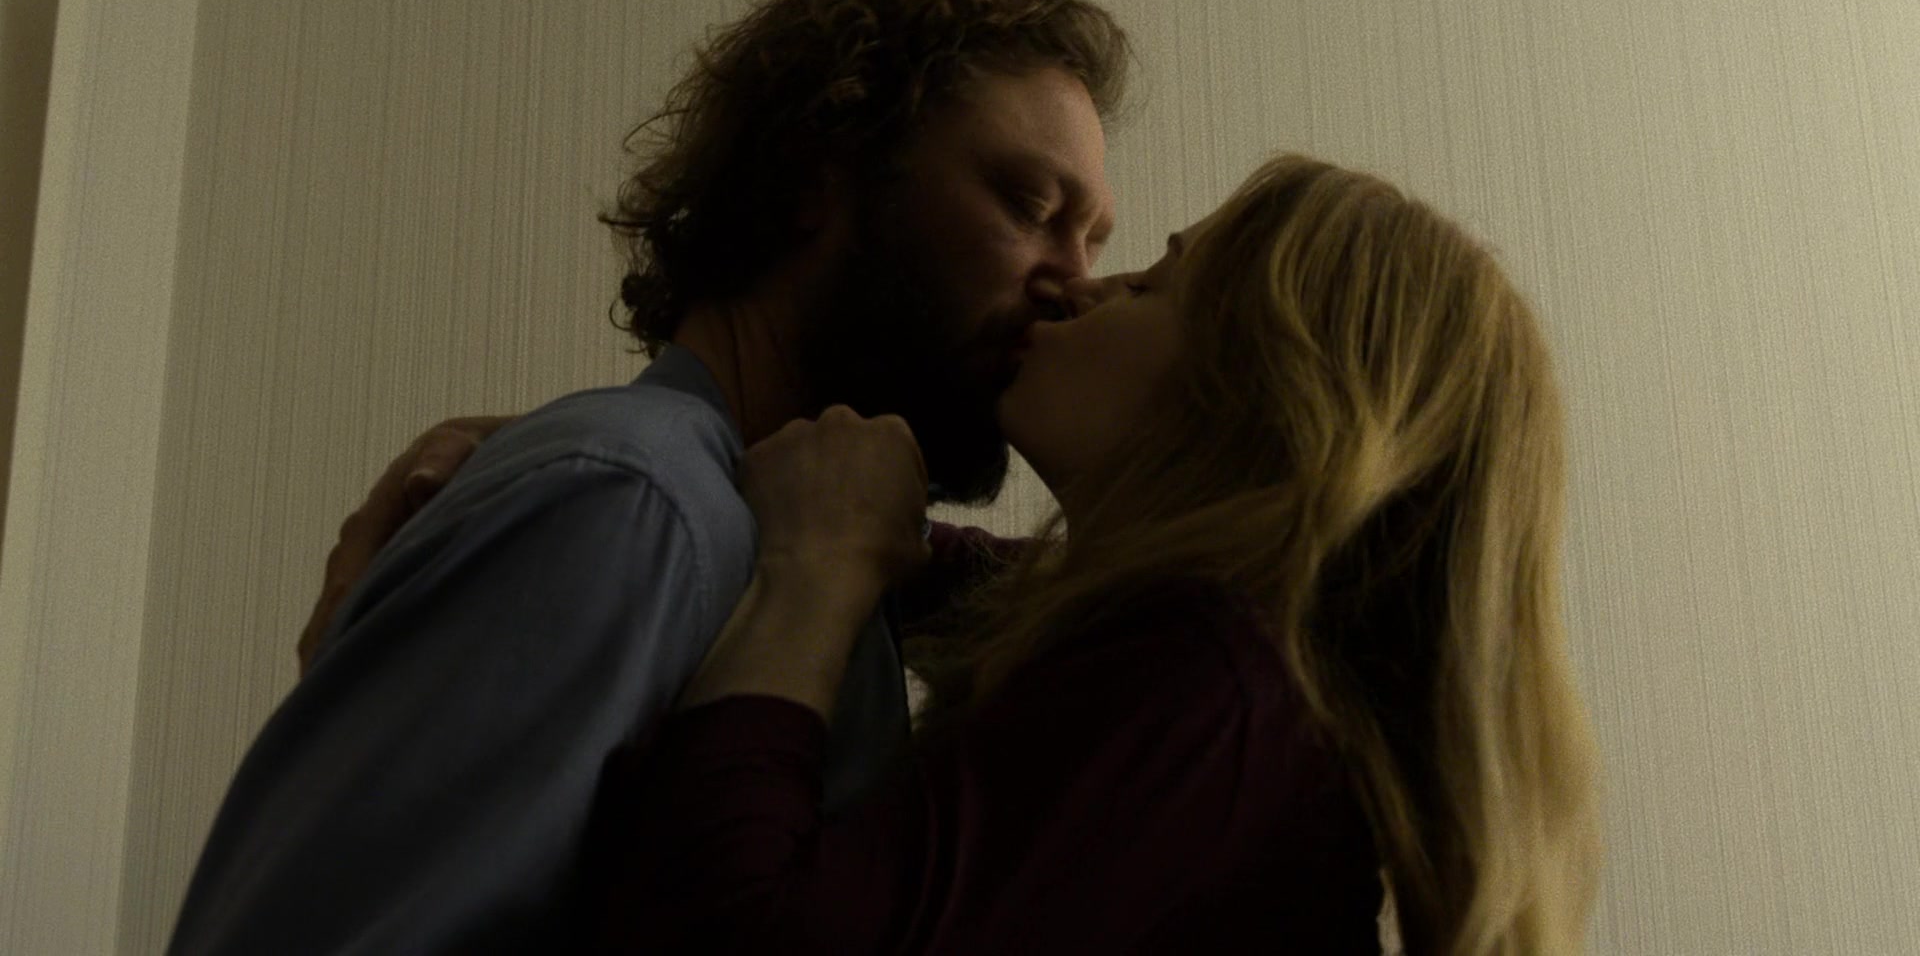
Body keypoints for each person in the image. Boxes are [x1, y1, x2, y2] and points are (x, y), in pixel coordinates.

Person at [315, 155, 1604, 953]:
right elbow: (981, 588)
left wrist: (818, 576)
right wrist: (606, 462)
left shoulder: (1213, 691)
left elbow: (728, 936)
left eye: (1153, 282)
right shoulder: (1216, 682)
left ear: (1267, 399)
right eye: (1030, 208)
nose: (1080, 288)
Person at [168, 0, 1128, 955]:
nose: (1076, 286)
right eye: (1030, 206)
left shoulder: (804, 544)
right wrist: (602, 486)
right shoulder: (633, 506)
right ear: (816, 179)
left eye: (1092, 240)